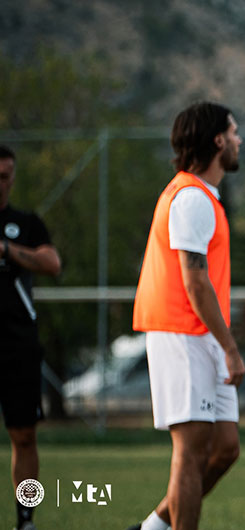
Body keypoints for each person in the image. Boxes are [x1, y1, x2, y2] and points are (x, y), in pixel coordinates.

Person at [128, 103, 245, 530]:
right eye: (233, 132)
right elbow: (195, 283)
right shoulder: (191, 198)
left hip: (203, 334)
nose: (238, 140)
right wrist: (231, 349)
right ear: (217, 141)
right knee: (191, 452)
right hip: (181, 334)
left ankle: (153, 527)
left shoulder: (203, 196)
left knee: (225, 448)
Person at [1, 145, 62, 530]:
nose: (1, 183)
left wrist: (7, 250)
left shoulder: (25, 224)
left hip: (16, 345)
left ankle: (26, 521)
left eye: (6, 176)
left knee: (24, 436)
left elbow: (52, 263)